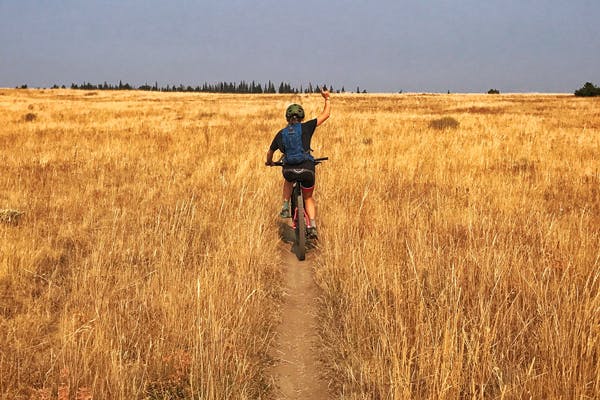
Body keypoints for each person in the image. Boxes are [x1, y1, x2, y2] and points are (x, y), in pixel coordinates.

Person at [265, 89, 331, 238]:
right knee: (308, 197)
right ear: (301, 117)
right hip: (307, 169)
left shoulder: (281, 134)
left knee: (288, 180)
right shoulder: (307, 127)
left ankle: (286, 205)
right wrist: (327, 99)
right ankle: (312, 225)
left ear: (287, 118)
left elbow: (270, 152)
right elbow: (326, 115)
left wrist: (270, 162)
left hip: (289, 170)